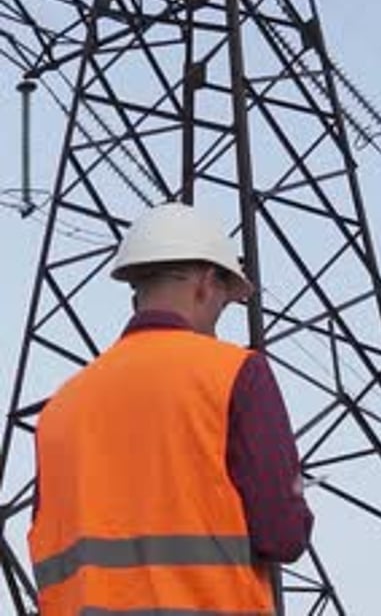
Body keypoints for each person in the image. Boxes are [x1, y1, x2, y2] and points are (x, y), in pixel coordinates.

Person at [29, 201, 313, 615]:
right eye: (223, 302)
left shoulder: (61, 407)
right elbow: (283, 535)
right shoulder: (236, 374)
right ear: (205, 283)